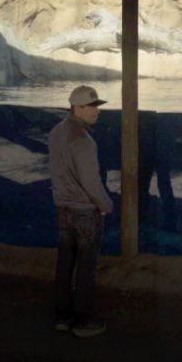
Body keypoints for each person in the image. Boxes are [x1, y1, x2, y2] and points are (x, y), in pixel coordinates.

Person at [50, 85, 112, 338]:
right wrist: (106, 205)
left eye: (97, 105)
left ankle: (62, 317)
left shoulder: (56, 132)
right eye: (92, 106)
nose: (97, 110)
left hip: (62, 209)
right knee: (86, 267)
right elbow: (91, 183)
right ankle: (84, 321)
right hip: (85, 212)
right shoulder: (85, 141)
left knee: (65, 263)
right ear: (77, 108)